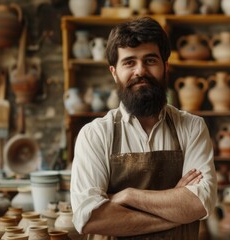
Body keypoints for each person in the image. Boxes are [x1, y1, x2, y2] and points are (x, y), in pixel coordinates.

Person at [70, 16, 217, 239]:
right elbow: (90, 217)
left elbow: (198, 204)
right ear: (114, 72)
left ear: (165, 67)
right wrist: (176, 205)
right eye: (129, 62)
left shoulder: (192, 127)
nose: (140, 71)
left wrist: (127, 196)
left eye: (150, 60)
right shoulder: (95, 135)